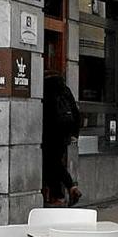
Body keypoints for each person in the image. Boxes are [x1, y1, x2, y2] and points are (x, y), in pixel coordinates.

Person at [42, 72, 82, 207]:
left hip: (49, 133)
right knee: (55, 163)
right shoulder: (65, 89)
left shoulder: (44, 88)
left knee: (49, 165)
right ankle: (70, 188)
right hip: (64, 133)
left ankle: (58, 196)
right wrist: (74, 134)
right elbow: (76, 113)